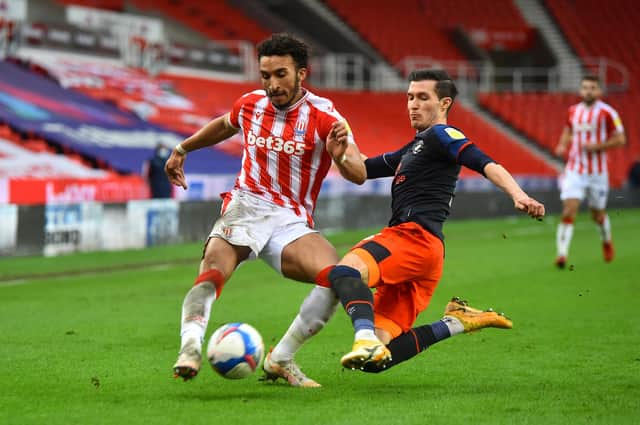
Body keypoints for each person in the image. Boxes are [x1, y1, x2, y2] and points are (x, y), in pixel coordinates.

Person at [277, 69, 546, 375]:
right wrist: (338, 154)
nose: (412, 105)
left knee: (345, 271)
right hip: (424, 254)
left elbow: (485, 163)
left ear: (444, 103)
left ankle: (362, 337)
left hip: (413, 238)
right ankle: (456, 322)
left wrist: (518, 194)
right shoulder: (414, 148)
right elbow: (363, 168)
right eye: (409, 97)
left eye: (422, 98)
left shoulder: (442, 135)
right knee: (377, 360)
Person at [164, 33, 365, 385]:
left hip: (291, 218)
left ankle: (281, 359)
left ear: (302, 73)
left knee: (338, 277)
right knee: (212, 268)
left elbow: (359, 173)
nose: (272, 85)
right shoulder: (251, 104)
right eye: (266, 75)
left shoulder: (323, 116)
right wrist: (183, 148)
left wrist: (340, 156)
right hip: (246, 205)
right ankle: (190, 347)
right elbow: (225, 125)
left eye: (281, 74)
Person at [554, 75, 625, 268]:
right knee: (569, 209)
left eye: (592, 88)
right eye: (585, 87)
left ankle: (606, 240)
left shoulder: (608, 113)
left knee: (597, 215)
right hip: (575, 170)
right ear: (580, 90)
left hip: (597, 173)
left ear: (599, 91)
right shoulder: (573, 111)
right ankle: (562, 254)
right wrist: (562, 145)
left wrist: (598, 146)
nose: (588, 91)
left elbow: (621, 139)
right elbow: (568, 129)